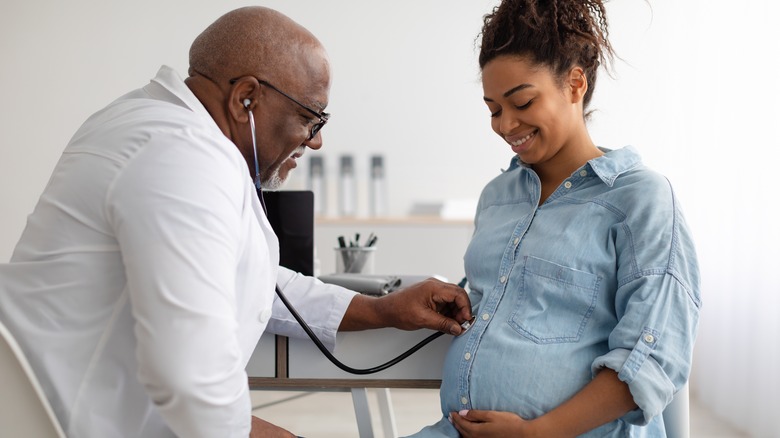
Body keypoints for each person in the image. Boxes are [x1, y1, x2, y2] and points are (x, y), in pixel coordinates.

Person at [0, 7, 473, 438]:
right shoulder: (182, 159)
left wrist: (383, 310)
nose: (314, 143)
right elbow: (195, 384)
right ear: (245, 99)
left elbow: (248, 280)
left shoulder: (160, 129)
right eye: (311, 119)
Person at [409, 1, 701, 437]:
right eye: (492, 109)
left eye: (522, 102)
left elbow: (651, 356)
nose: (505, 125)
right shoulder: (497, 198)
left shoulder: (641, 199)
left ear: (575, 84)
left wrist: (536, 431)